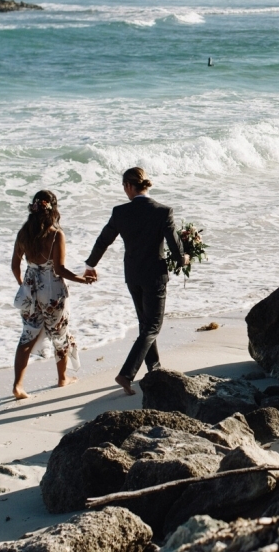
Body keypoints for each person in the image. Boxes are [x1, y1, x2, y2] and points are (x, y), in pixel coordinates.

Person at [83, 167, 188, 395]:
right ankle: (127, 373)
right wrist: (185, 257)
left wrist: (91, 265)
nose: (124, 191)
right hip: (154, 275)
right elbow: (176, 250)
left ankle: (154, 368)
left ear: (130, 186)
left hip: (132, 275)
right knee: (152, 326)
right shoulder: (163, 211)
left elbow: (104, 240)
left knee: (145, 324)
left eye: (124, 187)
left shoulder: (120, 212)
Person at [11, 190, 93, 400]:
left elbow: (14, 265)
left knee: (27, 336)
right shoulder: (56, 235)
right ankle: (62, 378)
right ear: (53, 209)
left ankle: (18, 386)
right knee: (60, 335)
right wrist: (83, 280)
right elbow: (59, 270)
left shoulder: (23, 233)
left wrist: (24, 284)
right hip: (52, 292)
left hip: (30, 290)